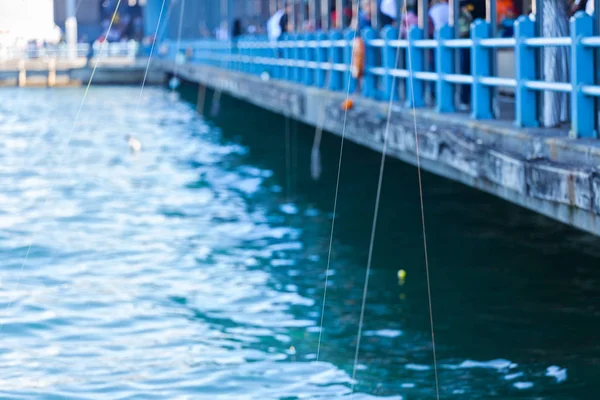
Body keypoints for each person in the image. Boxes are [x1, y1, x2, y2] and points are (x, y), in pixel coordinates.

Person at [542, 0, 569, 127]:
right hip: (555, 24)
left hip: (558, 22)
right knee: (555, 69)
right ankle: (553, 116)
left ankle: (559, 114)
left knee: (560, 69)